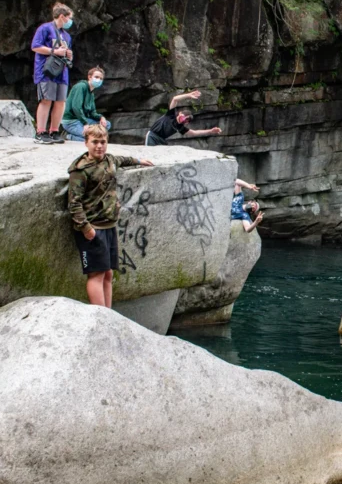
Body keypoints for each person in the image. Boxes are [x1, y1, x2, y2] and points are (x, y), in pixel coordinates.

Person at [67, 124, 153, 308]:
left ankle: (108, 313)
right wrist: (86, 228)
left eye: (103, 142)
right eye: (95, 142)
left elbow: (123, 160)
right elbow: (74, 203)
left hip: (109, 225)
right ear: (86, 143)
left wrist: (139, 160)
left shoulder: (109, 160)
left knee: (108, 273)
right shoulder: (80, 170)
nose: (99, 146)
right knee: (96, 274)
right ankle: (100, 315)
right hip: (93, 228)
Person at [31, 2, 74, 144]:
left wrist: (68, 55)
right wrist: (54, 51)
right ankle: (41, 132)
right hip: (46, 70)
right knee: (46, 100)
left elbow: (66, 52)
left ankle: (54, 130)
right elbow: (35, 46)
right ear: (62, 16)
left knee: (60, 101)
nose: (70, 21)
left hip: (62, 72)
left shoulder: (66, 36)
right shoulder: (45, 29)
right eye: (69, 18)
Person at [145, 90, 223, 146]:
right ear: (179, 113)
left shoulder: (180, 127)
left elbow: (194, 133)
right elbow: (175, 99)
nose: (183, 120)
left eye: (185, 120)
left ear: (186, 122)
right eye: (183, 117)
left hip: (161, 140)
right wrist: (188, 95)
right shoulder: (171, 115)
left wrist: (210, 131)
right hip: (152, 135)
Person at [62, 67, 110, 142]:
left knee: (107, 124)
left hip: (83, 120)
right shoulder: (81, 87)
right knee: (90, 139)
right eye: (96, 77)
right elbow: (76, 107)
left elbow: (92, 112)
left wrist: (101, 118)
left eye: (101, 79)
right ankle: (68, 136)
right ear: (89, 77)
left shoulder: (91, 93)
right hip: (72, 121)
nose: (99, 80)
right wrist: (85, 123)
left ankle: (78, 133)